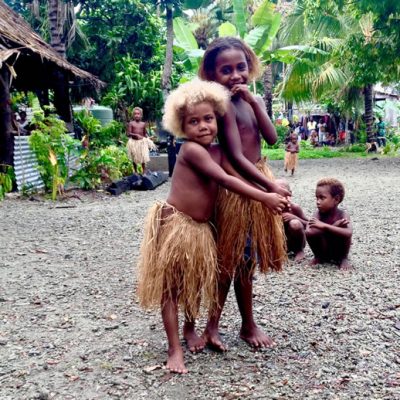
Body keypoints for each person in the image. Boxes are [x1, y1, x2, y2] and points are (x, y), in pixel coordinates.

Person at [137, 79, 288, 374]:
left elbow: (239, 174)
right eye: (194, 121)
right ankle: (174, 348)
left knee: (196, 282)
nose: (203, 126)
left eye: (208, 119)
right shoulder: (191, 150)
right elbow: (226, 180)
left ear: (217, 118)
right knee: (172, 289)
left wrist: (278, 193)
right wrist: (267, 196)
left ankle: (191, 329)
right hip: (178, 225)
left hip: (201, 229)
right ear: (182, 126)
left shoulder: (218, 151)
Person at [198, 36, 290, 351]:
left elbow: (273, 138)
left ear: (250, 66)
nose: (235, 75)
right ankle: (218, 326)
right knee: (230, 258)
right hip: (239, 188)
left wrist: (254, 102)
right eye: (226, 70)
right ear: (212, 75)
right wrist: (268, 187)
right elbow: (236, 156)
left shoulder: (253, 102)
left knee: (246, 260)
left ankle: (244, 324)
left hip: (258, 182)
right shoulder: (221, 107)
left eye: (241, 67)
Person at [305, 178, 352, 271]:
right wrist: (334, 226)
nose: (318, 202)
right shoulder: (317, 214)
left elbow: (348, 233)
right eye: (317, 198)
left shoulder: (342, 215)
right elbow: (309, 232)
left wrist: (324, 226)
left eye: (322, 198)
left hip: (338, 251)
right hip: (323, 250)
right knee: (312, 233)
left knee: (343, 227)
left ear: (336, 199)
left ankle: (343, 258)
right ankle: (318, 257)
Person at [276, 179, 308, 262]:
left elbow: (309, 225)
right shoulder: (270, 207)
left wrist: (294, 217)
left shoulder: (294, 208)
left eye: (282, 191)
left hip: (292, 243)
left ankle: (299, 251)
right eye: (276, 191)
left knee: (295, 224)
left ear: (289, 193)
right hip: (276, 244)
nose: (280, 194)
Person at [126, 107, 155, 174]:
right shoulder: (131, 123)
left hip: (142, 143)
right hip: (133, 143)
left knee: (143, 157)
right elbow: (128, 133)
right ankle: (135, 171)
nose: (137, 115)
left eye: (138, 114)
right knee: (134, 157)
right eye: (135, 114)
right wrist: (135, 135)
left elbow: (144, 134)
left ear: (141, 115)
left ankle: (144, 171)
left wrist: (148, 138)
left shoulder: (143, 124)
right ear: (133, 115)